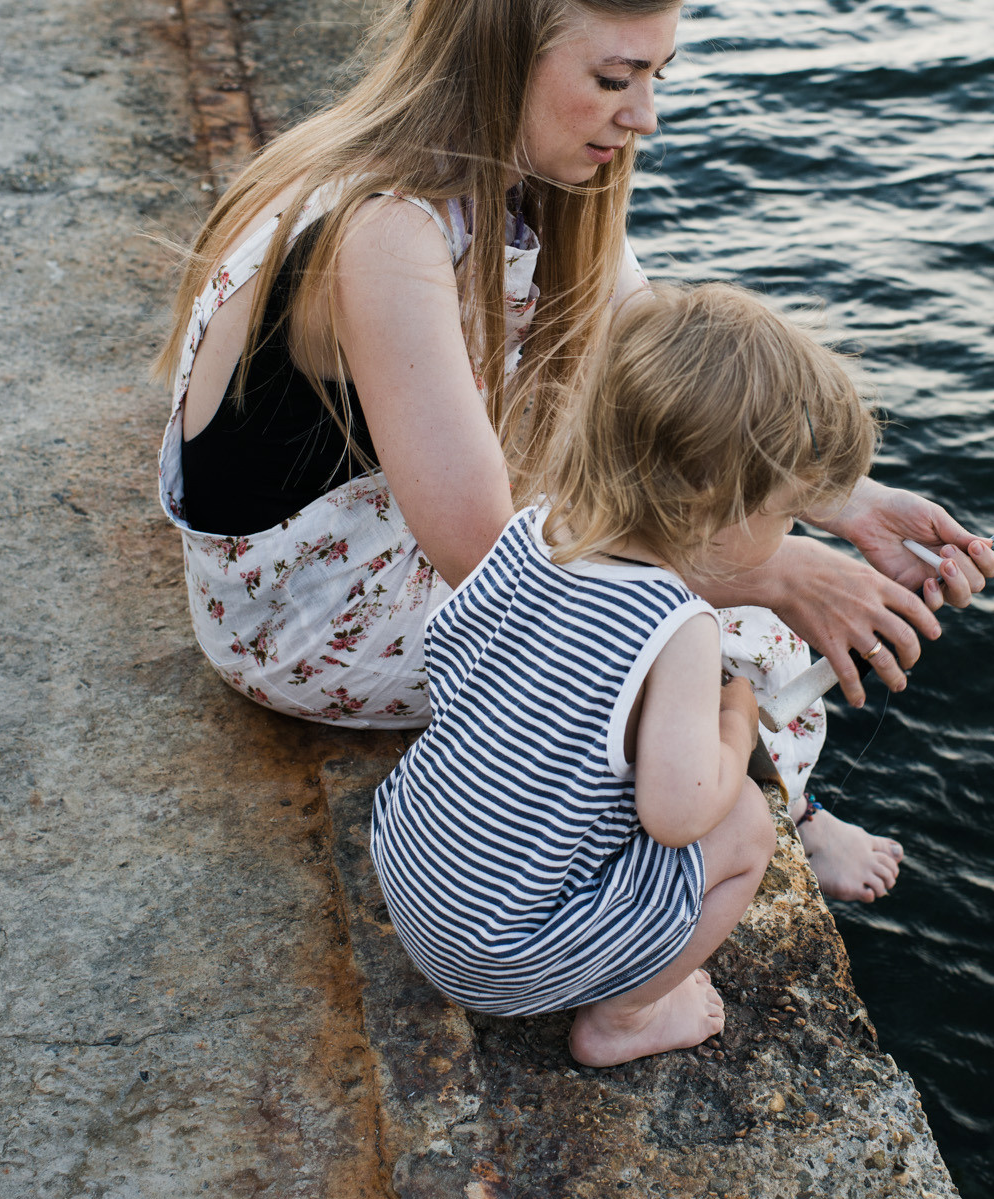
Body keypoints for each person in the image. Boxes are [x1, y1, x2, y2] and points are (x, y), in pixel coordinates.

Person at [154, 0, 994, 902]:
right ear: (503, 55)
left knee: (691, 539)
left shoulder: (530, 171)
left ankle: (756, 789)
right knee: (727, 637)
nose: (644, 115)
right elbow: (493, 564)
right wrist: (772, 572)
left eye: (657, 75)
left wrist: (845, 502)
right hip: (303, 622)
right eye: (613, 78)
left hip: (383, 528)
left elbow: (661, 374)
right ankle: (766, 820)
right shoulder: (384, 233)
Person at [371, 283, 874, 1064]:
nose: (789, 533)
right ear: (715, 504)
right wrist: (735, 720)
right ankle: (628, 1018)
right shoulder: (678, 624)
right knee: (745, 824)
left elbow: (456, 659)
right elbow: (680, 814)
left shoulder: (536, 530)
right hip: (493, 957)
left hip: (412, 867)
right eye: (785, 513)